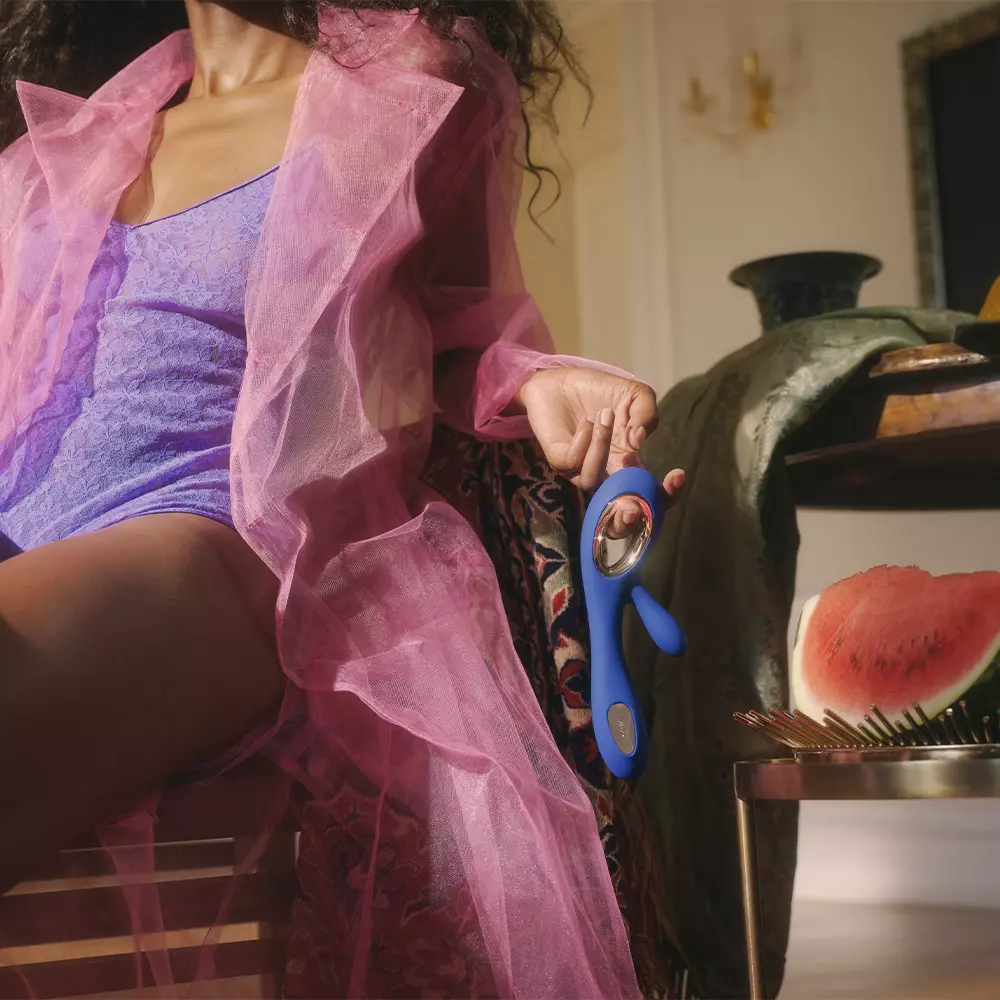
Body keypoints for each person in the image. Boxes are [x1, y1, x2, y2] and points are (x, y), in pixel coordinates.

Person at [0, 1, 683, 995]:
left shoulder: (404, 86)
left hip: (212, 533)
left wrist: (538, 380)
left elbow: (461, 329)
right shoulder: (78, 137)